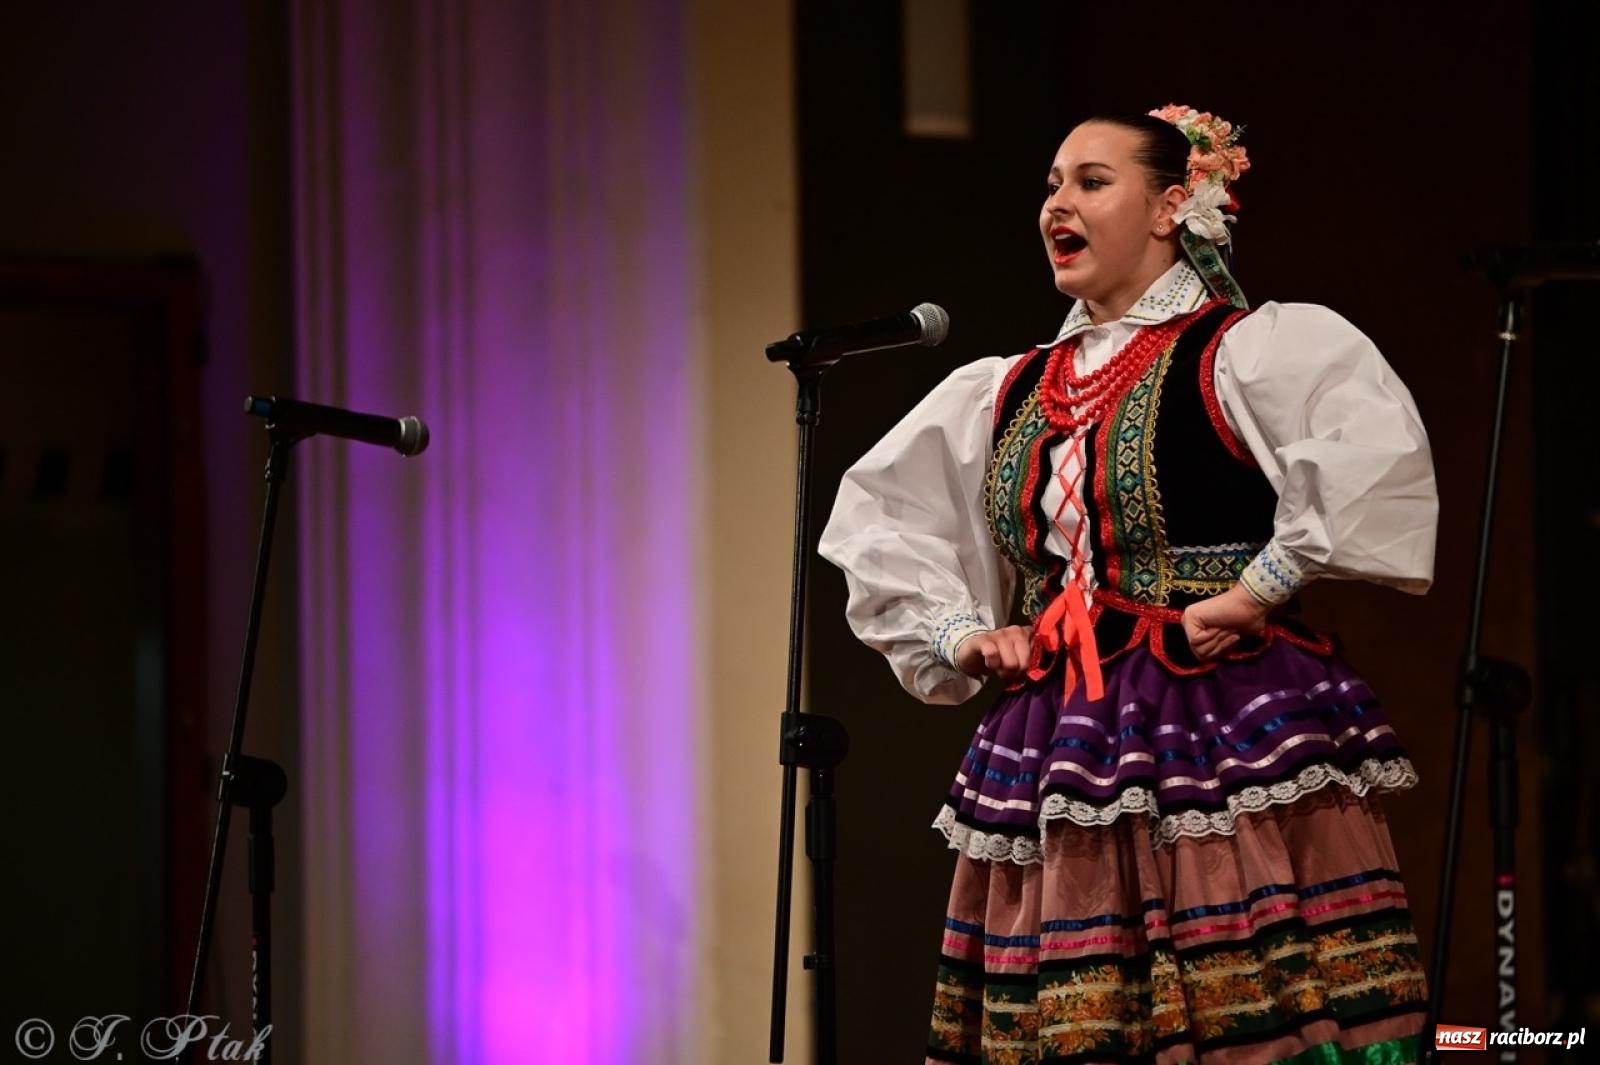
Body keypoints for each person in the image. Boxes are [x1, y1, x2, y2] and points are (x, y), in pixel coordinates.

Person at [818, 105, 1438, 1064]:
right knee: (1081, 1015)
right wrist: (966, 636)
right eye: (1051, 186)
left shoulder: (1245, 351)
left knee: (1246, 1001)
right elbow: (882, 522)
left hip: (1216, 719)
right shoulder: (1007, 387)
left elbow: (1368, 455)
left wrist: (1257, 589)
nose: (1056, 204)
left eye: (1091, 181)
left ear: (1169, 206)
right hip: (1058, 736)